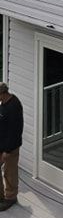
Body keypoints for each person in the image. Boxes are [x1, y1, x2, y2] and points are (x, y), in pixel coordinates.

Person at [0, 83, 23, 211]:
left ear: (3, 93)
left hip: (10, 148)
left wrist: (7, 151)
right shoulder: (3, 103)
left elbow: (15, 131)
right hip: (1, 144)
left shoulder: (14, 106)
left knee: (10, 173)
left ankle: (10, 198)